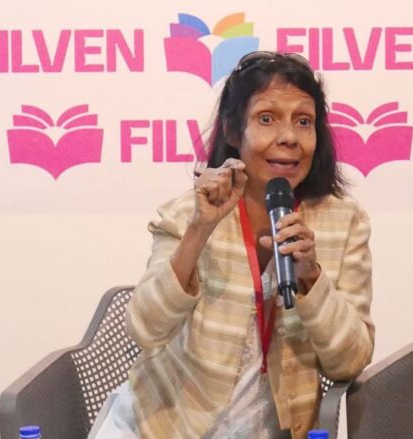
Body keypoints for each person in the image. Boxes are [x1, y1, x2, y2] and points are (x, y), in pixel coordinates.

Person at [88, 51, 374, 439]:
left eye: (303, 121)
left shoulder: (343, 222)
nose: (289, 137)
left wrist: (311, 278)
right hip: (163, 428)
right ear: (233, 131)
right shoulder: (190, 213)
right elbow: (145, 328)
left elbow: (350, 361)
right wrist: (199, 230)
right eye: (267, 119)